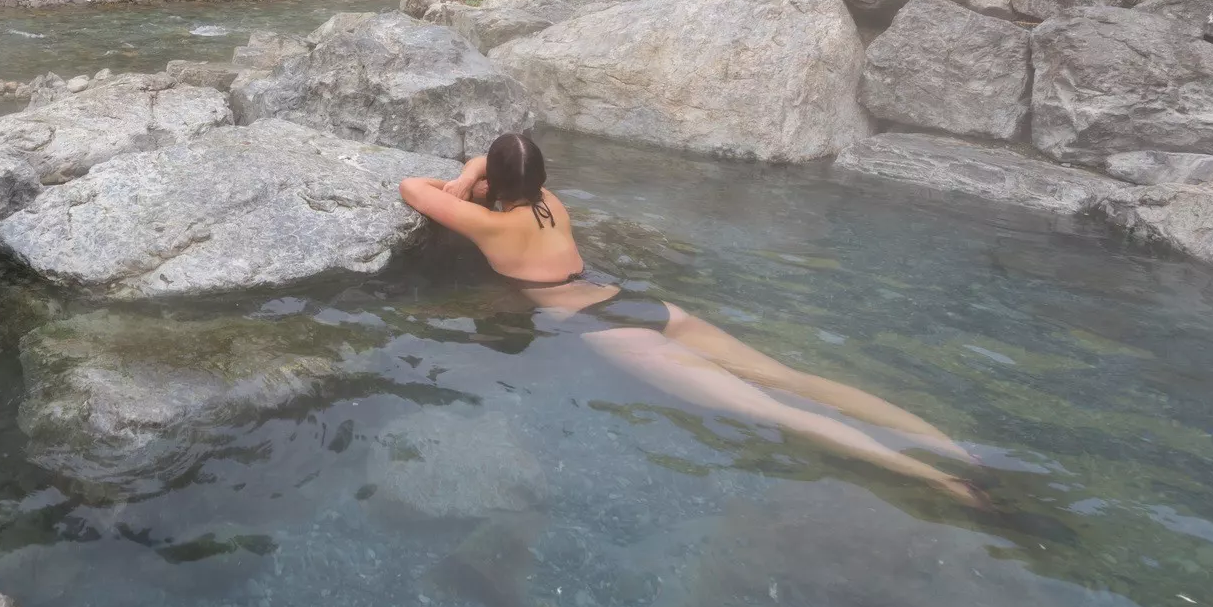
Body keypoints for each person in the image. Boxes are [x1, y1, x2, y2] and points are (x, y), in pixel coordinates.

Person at [400, 133, 981, 506]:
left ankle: (938, 484)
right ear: (542, 179)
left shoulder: (494, 225)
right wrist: (489, 170)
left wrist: (463, 180)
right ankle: (962, 456)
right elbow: (516, 176)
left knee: (771, 410)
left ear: (495, 186)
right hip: (641, 304)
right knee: (792, 381)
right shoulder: (556, 207)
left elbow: (413, 189)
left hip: (605, 330)